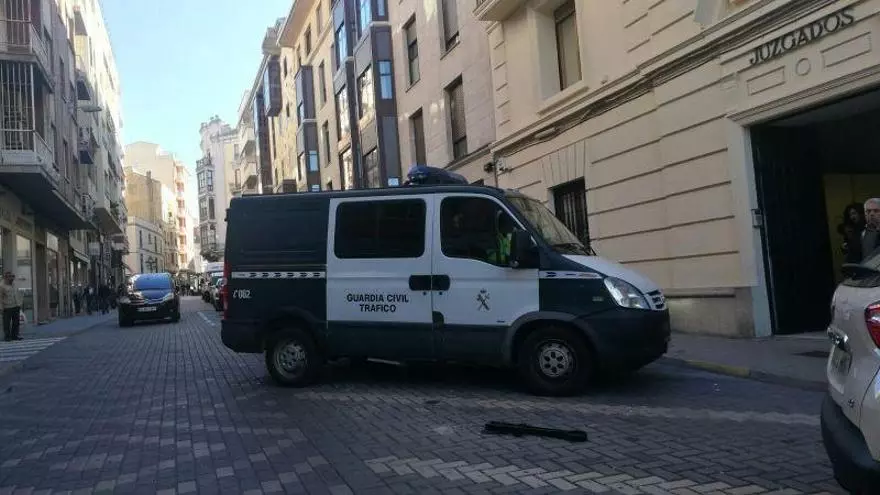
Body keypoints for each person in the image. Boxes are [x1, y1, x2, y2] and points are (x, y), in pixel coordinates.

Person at [0, 271, 23, 341]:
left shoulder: (14, 284)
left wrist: (20, 304)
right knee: (6, 323)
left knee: (16, 322)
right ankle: (7, 337)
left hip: (16, 306)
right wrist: (1, 308)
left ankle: (15, 336)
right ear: (6, 277)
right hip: (7, 307)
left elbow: (18, 294)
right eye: (10, 276)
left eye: (13, 276)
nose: (12, 278)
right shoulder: (1, 286)